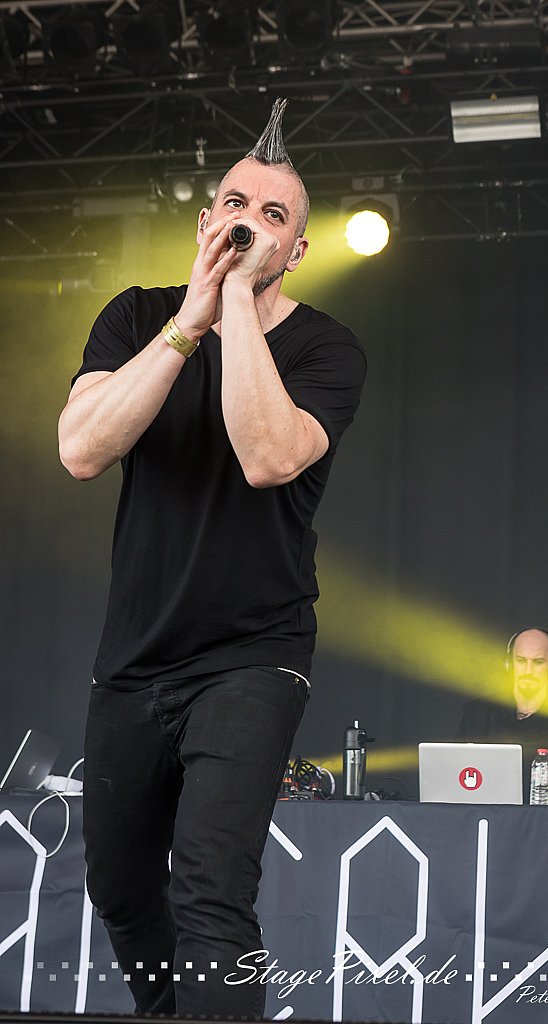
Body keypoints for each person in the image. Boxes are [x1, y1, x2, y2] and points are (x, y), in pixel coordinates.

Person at [58, 98, 366, 1019]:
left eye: (273, 215)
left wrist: (234, 303)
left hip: (251, 655)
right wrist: (188, 323)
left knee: (209, 889)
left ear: (297, 250)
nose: (248, 223)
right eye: (236, 204)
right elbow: (81, 449)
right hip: (134, 657)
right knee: (120, 887)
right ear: (204, 221)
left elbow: (268, 456)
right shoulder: (138, 315)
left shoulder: (326, 348)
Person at [459, 627, 548, 799]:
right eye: (521, 661)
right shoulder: (478, 714)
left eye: (538, 662)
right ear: (509, 664)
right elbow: (457, 776)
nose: (528, 671)